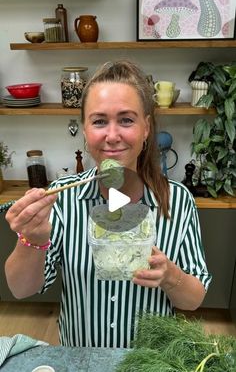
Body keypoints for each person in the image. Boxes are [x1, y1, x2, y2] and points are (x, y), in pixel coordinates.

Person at [5, 60, 212, 348]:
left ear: (146, 128)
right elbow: (21, 289)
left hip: (149, 367)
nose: (112, 136)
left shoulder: (178, 201)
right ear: (85, 129)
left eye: (126, 120)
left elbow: (194, 299)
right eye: (99, 121)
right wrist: (32, 240)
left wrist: (170, 276)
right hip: (80, 362)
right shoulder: (62, 198)